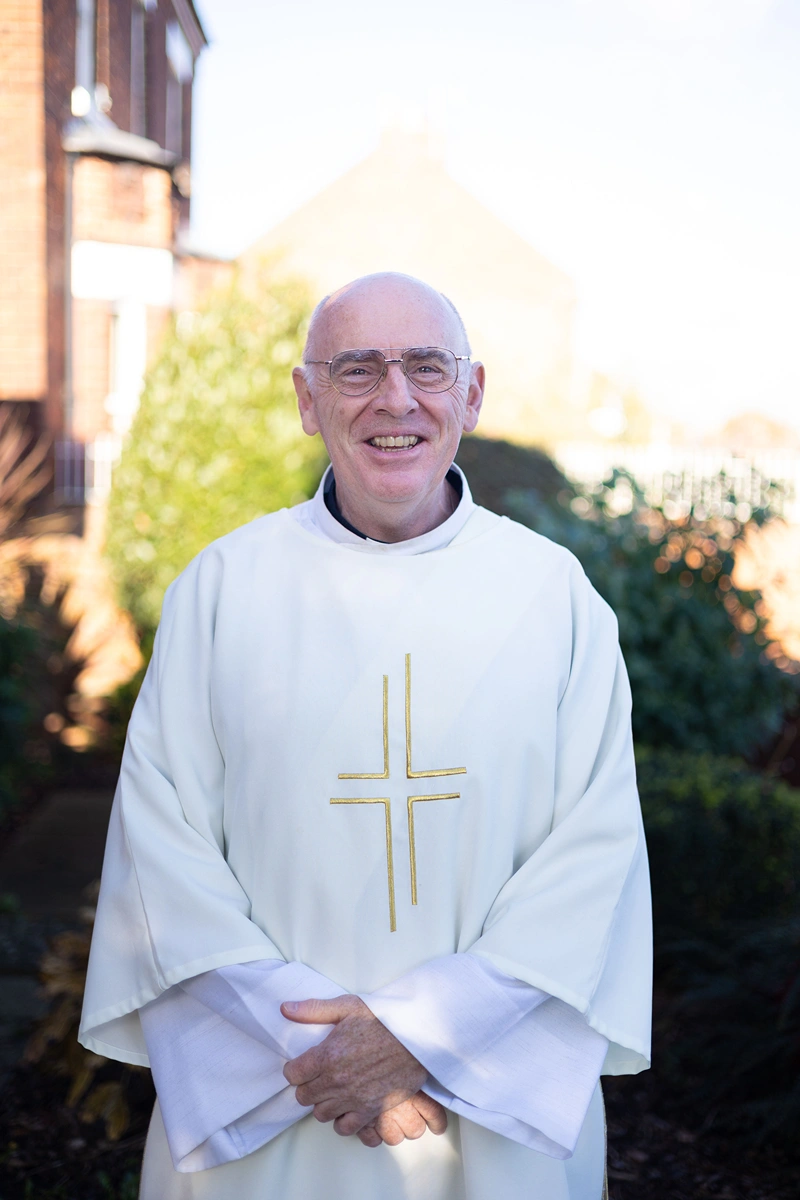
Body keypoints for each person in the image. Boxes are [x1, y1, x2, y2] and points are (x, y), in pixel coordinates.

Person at [80, 272, 652, 1200]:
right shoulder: (222, 591)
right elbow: (162, 851)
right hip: (272, 1096)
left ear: (472, 393)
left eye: (427, 367)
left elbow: (595, 859)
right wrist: (326, 1053)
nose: (396, 398)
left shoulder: (556, 599)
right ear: (308, 401)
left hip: (486, 1115)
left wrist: (422, 1038)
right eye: (357, 369)